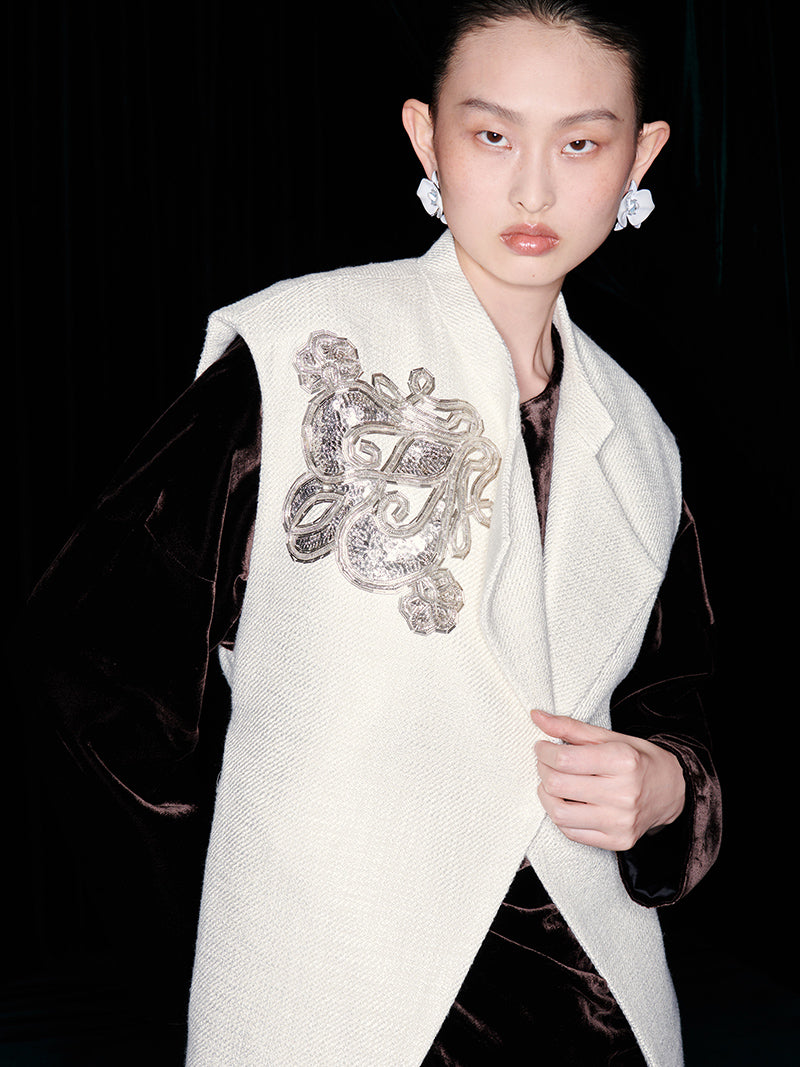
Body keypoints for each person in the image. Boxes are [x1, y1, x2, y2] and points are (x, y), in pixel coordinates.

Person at [24, 2, 721, 1064]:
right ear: (424, 136)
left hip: (590, 991)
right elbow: (101, 664)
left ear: (642, 154)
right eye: (492, 135)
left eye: (580, 143)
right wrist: (234, 893)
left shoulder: (639, 437)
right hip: (334, 976)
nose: (534, 190)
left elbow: (673, 697)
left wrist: (670, 784)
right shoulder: (301, 350)